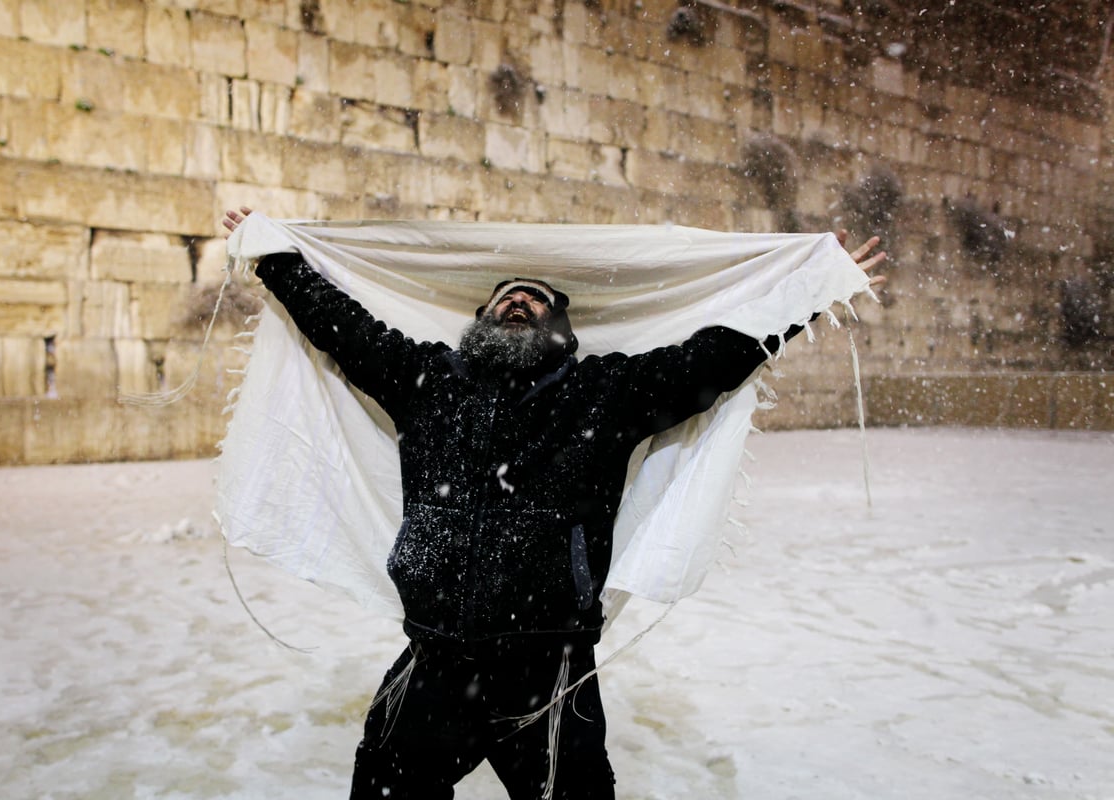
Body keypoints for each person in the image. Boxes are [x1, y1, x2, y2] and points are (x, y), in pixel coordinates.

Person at [222, 207, 886, 799]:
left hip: (550, 670)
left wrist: (814, 286)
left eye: (536, 302)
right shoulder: (427, 382)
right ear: (478, 323)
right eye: (505, 299)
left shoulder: (604, 393)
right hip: (433, 661)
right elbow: (343, 327)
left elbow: (713, 357)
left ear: (562, 332)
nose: (518, 303)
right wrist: (273, 257)